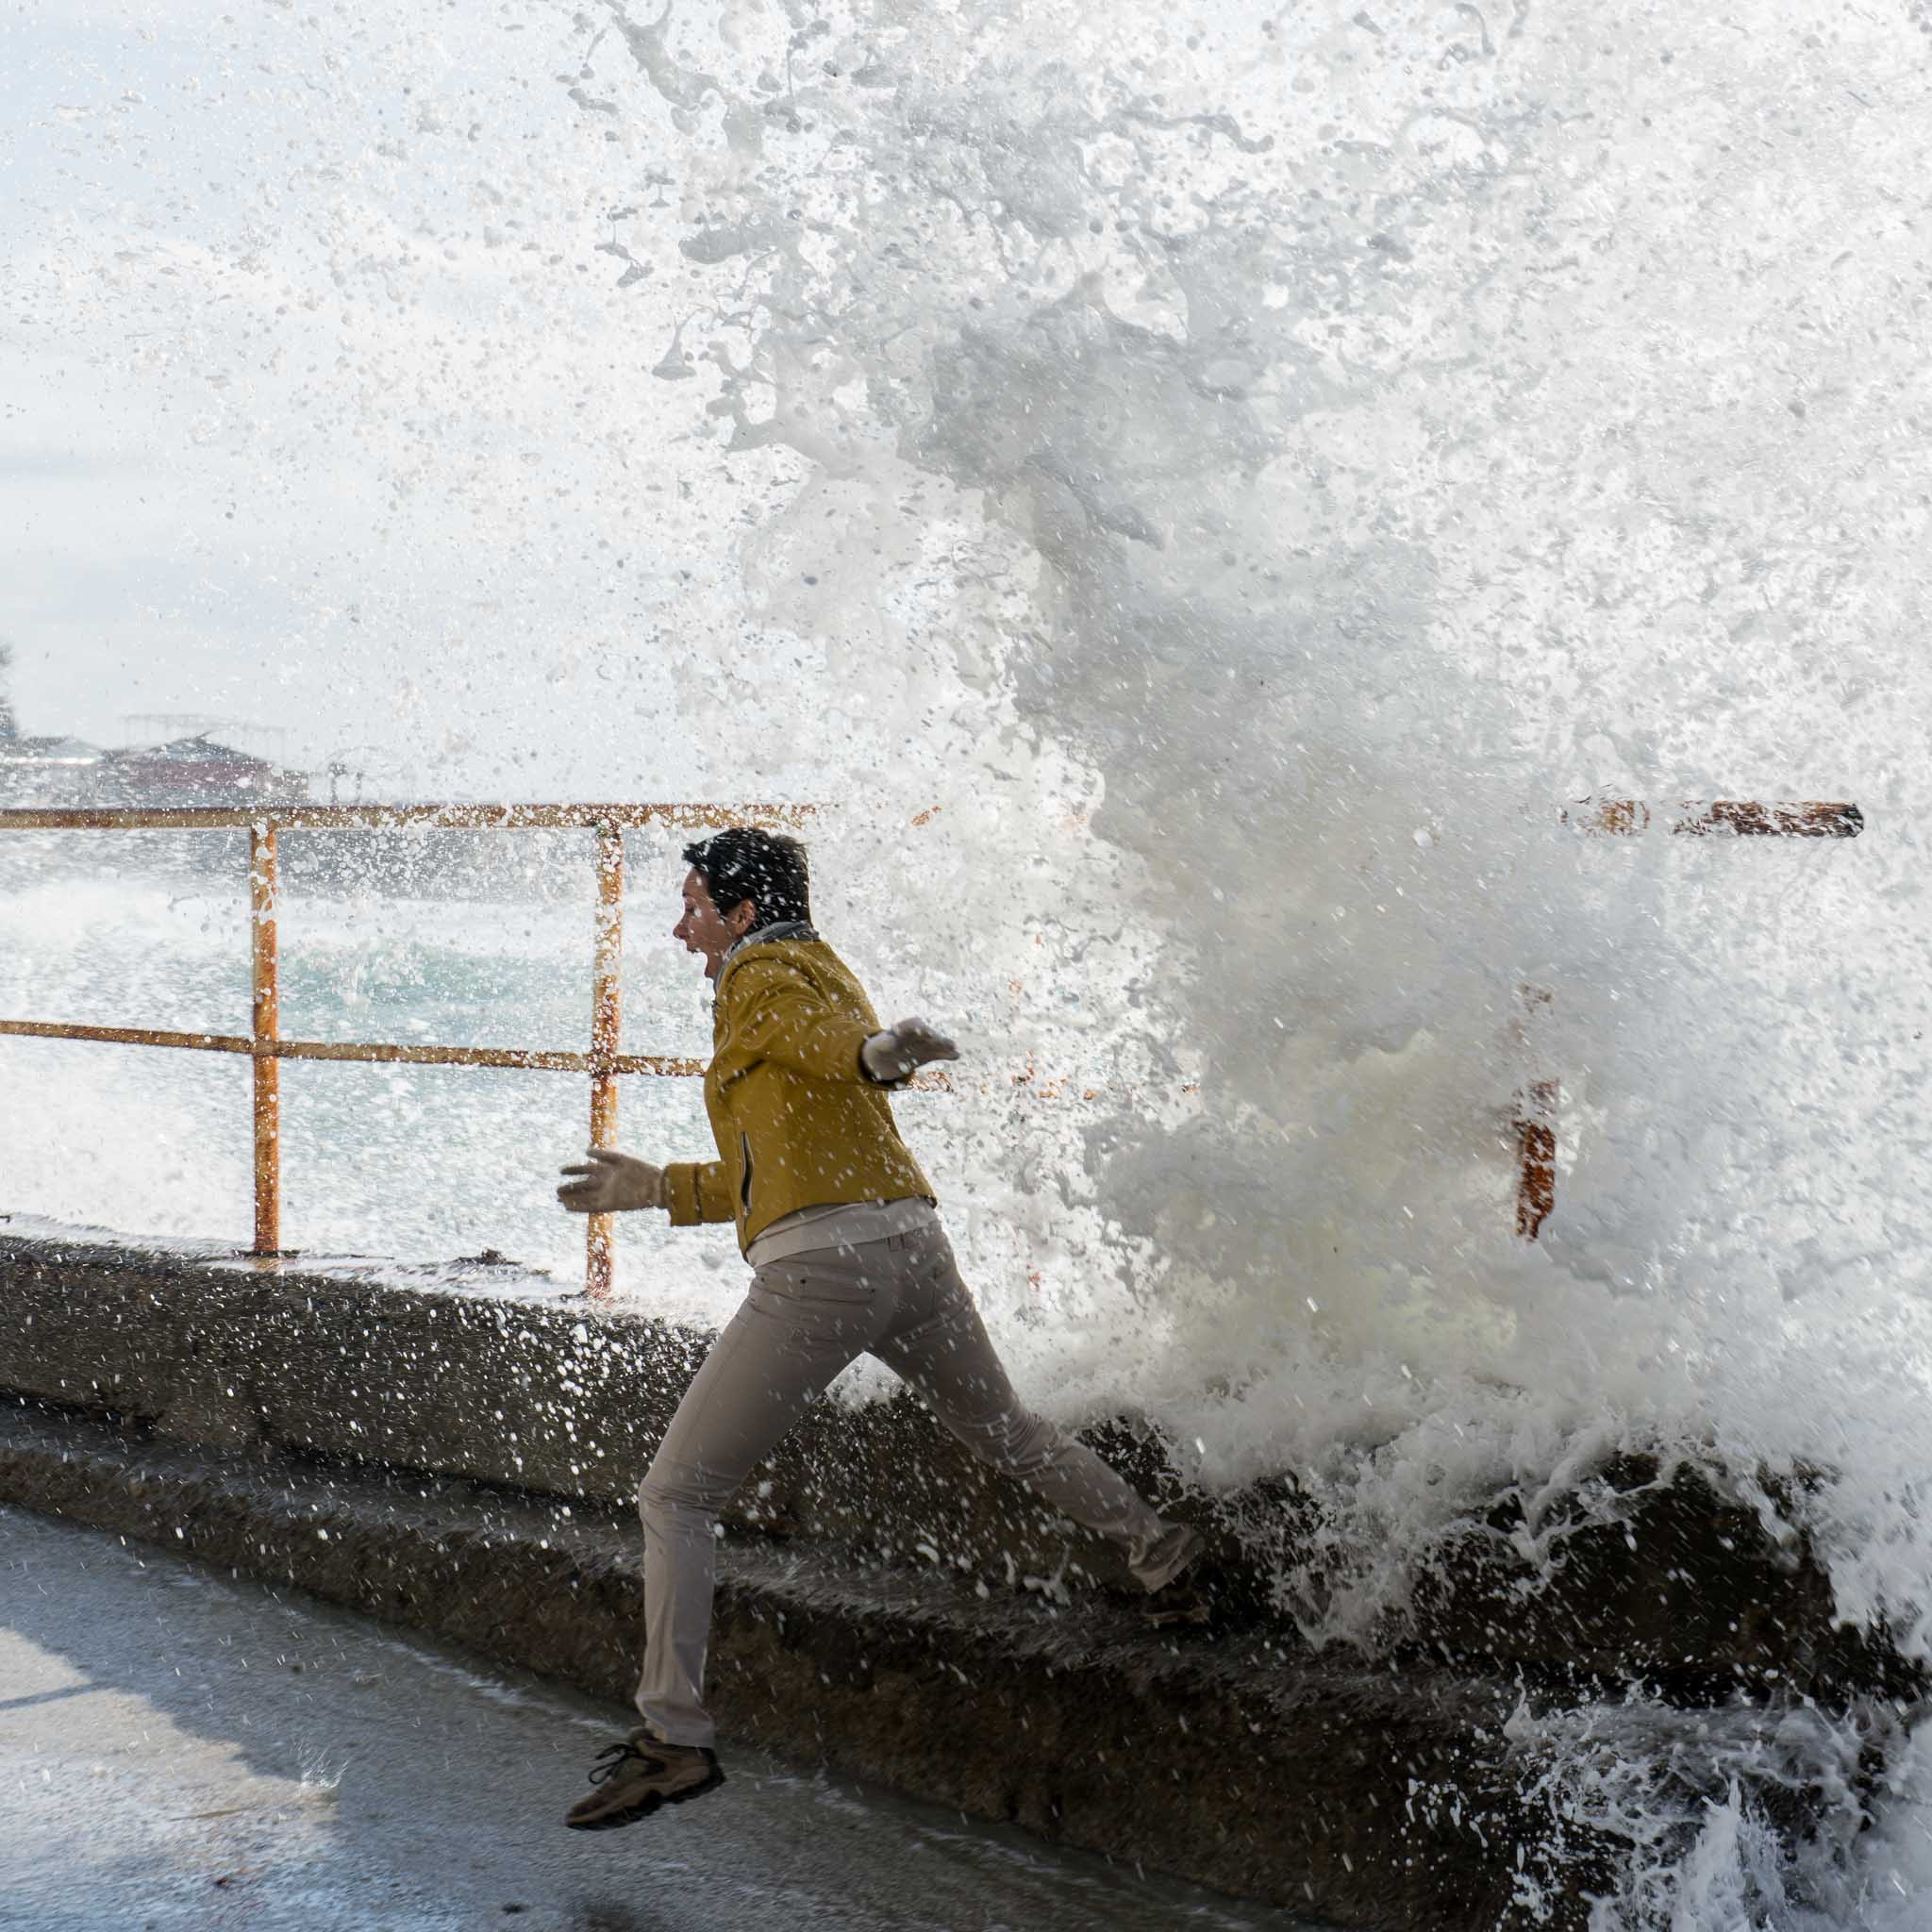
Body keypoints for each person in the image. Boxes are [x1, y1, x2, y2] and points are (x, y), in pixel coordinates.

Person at [555, 826, 1203, 1832]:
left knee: (675, 1495)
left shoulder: (758, 976)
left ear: (740, 913)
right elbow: (789, 1156)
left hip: (822, 1273)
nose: (680, 930)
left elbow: (832, 1053)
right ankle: (1163, 1554)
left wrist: (877, 1055)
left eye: (692, 907)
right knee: (1008, 1430)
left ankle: (671, 1736)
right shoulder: (822, 966)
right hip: (911, 1247)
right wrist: (659, 1188)